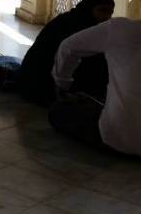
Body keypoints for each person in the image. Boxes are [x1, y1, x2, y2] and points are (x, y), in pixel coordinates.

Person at [50, 16, 141, 156]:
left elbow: (67, 47)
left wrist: (62, 83)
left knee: (58, 111)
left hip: (118, 137)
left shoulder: (120, 30)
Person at [20, 0, 114, 105]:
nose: (107, 17)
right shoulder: (72, 25)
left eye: (110, 13)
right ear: (89, 7)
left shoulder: (76, 20)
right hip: (43, 85)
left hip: (30, 84)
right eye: (102, 10)